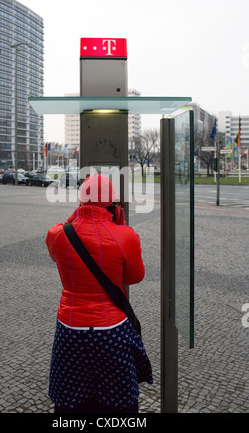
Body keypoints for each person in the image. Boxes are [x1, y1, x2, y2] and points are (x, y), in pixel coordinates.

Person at [46, 173, 153, 414]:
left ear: (80, 202)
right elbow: (134, 278)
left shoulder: (57, 234)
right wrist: (120, 226)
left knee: (70, 402)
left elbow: (58, 249)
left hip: (70, 328)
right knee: (119, 403)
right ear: (113, 205)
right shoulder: (126, 235)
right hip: (111, 329)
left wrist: (79, 216)